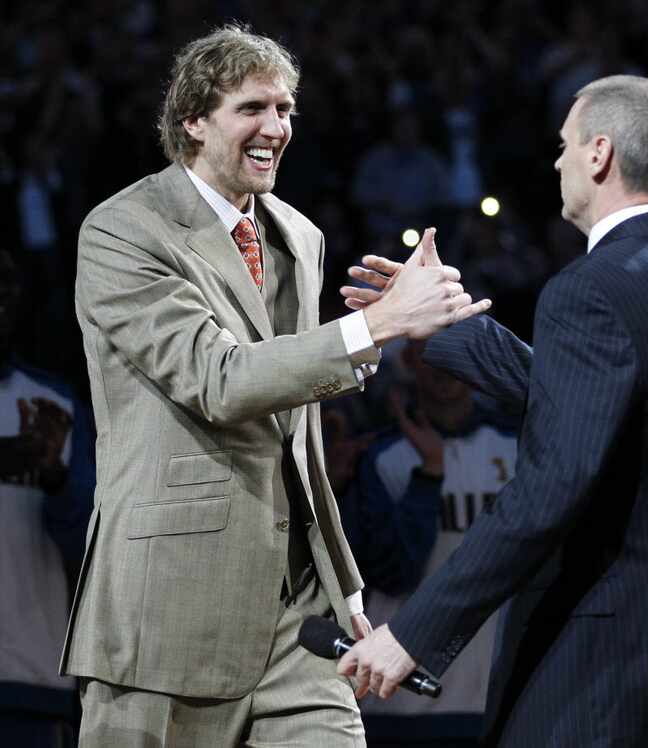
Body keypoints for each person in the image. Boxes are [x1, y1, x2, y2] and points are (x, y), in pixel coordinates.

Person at [61, 24, 488, 748]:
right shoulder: (123, 230)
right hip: (167, 609)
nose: (276, 128)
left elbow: (294, 426)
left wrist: (343, 581)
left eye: (286, 110)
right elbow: (219, 380)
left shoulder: (299, 233)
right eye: (252, 109)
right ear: (192, 120)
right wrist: (371, 329)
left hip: (297, 617)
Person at [338, 75, 648, 747]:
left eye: (565, 145)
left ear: (599, 154)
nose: (556, 162)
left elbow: (546, 491)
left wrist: (413, 634)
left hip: (613, 669)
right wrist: (445, 321)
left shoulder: (587, 289)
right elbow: (587, 399)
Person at [340, 341, 517, 746]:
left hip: (498, 690)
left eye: (456, 346)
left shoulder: (521, 446)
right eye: (431, 350)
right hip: (401, 697)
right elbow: (392, 573)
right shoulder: (381, 457)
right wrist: (429, 476)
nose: (446, 361)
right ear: (408, 360)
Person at [0, 249, 95, 746]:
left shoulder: (52, 406)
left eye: (8, 293)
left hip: (31, 678)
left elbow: (95, 546)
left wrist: (57, 479)